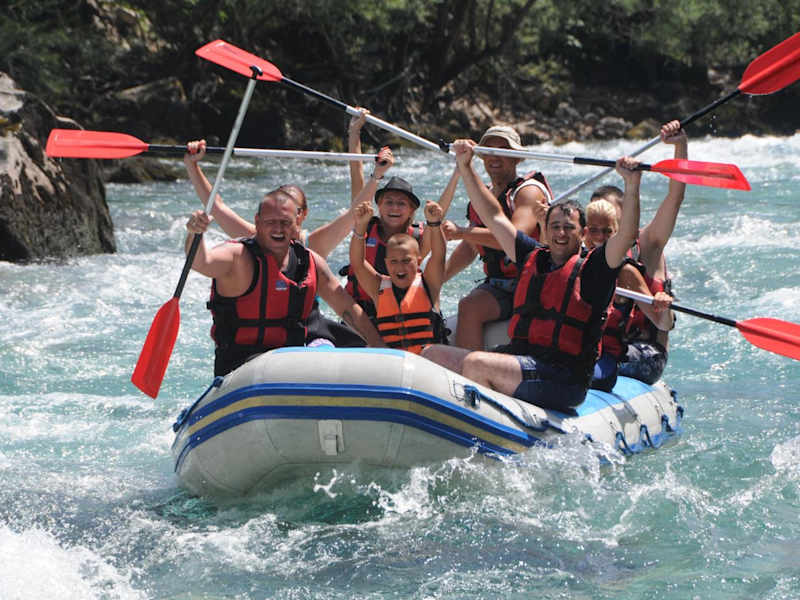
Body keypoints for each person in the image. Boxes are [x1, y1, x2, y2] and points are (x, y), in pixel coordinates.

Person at [423, 139, 642, 412]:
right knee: (432, 354)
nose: (560, 233)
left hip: (564, 378)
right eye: (555, 226)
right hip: (524, 361)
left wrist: (632, 185)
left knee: (477, 363)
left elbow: (626, 235)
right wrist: (466, 167)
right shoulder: (531, 255)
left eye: (569, 228)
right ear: (545, 230)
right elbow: (494, 216)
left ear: (583, 234)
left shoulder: (596, 267)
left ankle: (480, 423)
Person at [183, 139, 366, 347]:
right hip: (260, 344)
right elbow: (217, 207)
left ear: (301, 214)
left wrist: (375, 174)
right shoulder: (255, 239)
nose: (280, 219)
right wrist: (192, 166)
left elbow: (356, 212)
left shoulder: (314, 244)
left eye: (290, 210)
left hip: (306, 331)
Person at [184, 188, 385, 376]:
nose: (278, 229)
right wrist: (195, 234)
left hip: (290, 361)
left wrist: (381, 349)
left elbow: (348, 309)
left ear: (297, 223)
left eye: (285, 222)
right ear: (257, 222)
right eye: (270, 222)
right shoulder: (238, 257)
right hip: (241, 366)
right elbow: (201, 262)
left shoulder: (310, 261)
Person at [588, 120, 687, 383]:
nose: (602, 226)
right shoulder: (587, 247)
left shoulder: (648, 243)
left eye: (610, 215)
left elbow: (675, 198)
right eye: (596, 219)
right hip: (602, 345)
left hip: (644, 351)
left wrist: (680, 146)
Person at [440, 125, 552, 350]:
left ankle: (470, 369)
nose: (495, 157)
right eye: (489, 151)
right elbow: (470, 247)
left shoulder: (528, 192)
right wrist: (436, 280)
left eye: (503, 150)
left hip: (531, 282)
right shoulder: (481, 198)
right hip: (497, 283)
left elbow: (515, 240)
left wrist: (461, 232)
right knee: (462, 304)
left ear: (517, 158)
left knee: (470, 306)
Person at [583, 199, 674, 391]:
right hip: (589, 349)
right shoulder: (576, 263)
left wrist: (664, 307)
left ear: (617, 234)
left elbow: (663, 324)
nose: (600, 237)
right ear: (584, 232)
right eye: (594, 230)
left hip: (620, 354)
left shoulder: (626, 273)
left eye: (607, 231)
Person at [349, 193, 448, 354]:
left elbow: (439, 256)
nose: (400, 267)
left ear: (418, 261)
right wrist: (360, 226)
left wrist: (435, 224)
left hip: (428, 361)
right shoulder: (378, 288)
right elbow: (358, 263)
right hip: (393, 363)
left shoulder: (429, 283)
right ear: (387, 263)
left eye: (406, 261)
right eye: (394, 262)